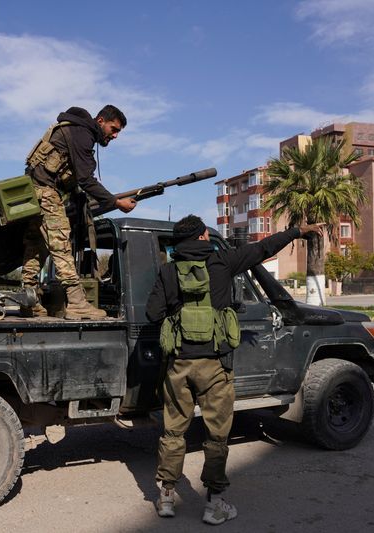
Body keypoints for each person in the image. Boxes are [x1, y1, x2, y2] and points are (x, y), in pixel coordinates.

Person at [145, 214, 322, 525]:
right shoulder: (223, 261)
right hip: (215, 365)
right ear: (202, 237)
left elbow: (152, 313)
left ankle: (167, 497)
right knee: (216, 436)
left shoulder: (167, 271)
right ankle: (214, 504)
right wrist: (298, 231)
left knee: (173, 431)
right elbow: (264, 248)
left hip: (179, 365)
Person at [21, 105, 137, 319]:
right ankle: (76, 302)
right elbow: (85, 179)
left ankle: (29, 300)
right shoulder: (82, 133)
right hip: (45, 191)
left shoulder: (73, 128)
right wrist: (115, 202)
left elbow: (72, 178)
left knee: (36, 246)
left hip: (33, 191)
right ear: (101, 121)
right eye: (114, 129)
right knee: (61, 242)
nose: (115, 136)